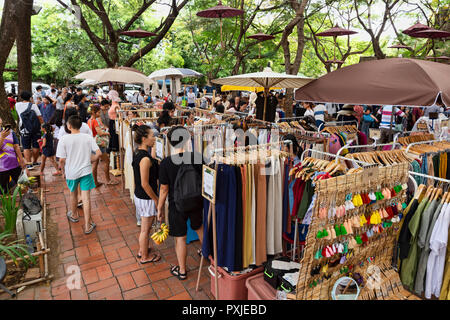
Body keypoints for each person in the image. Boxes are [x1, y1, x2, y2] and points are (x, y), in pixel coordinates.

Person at [158, 126, 203, 280]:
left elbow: (164, 189)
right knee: (199, 227)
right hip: (197, 200)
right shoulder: (197, 156)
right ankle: (209, 257)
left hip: (176, 204)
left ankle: (182, 270)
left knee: (180, 237)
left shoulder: (165, 163)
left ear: (170, 142)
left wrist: (159, 209)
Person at [57, 115, 101, 234]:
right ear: (80, 125)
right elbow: (98, 153)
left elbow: (61, 160)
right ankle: (87, 225)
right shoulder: (87, 137)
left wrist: (63, 172)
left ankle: (74, 215)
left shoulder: (64, 139)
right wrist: (90, 159)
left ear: (69, 126)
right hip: (86, 171)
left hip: (71, 172)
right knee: (86, 198)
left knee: (73, 194)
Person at [131, 124, 161, 263]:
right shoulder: (144, 159)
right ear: (144, 139)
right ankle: (144, 257)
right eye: (151, 136)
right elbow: (145, 183)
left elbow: (152, 161)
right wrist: (156, 199)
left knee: (145, 227)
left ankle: (142, 250)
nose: (154, 138)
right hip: (146, 197)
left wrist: (154, 146)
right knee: (145, 229)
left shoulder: (140, 153)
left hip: (141, 196)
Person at [87, 104, 118, 187]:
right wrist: (107, 133)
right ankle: (108, 180)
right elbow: (99, 133)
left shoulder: (89, 120)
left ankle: (95, 182)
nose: (100, 113)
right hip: (99, 144)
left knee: (95, 163)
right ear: (96, 112)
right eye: (99, 112)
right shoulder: (95, 120)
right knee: (106, 161)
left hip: (93, 143)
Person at [16, 91, 44, 169]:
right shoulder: (33, 105)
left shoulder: (17, 105)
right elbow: (39, 117)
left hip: (24, 129)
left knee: (26, 147)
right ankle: (34, 162)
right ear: (30, 98)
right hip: (35, 128)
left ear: (21, 97)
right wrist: (43, 126)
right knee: (36, 145)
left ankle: (28, 164)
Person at [0, 117, 26, 192]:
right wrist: (2, 137)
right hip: (2, 168)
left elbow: (16, 147)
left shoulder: (10, 132)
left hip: (14, 164)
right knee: (4, 191)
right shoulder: (3, 134)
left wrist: (21, 160)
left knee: (22, 185)